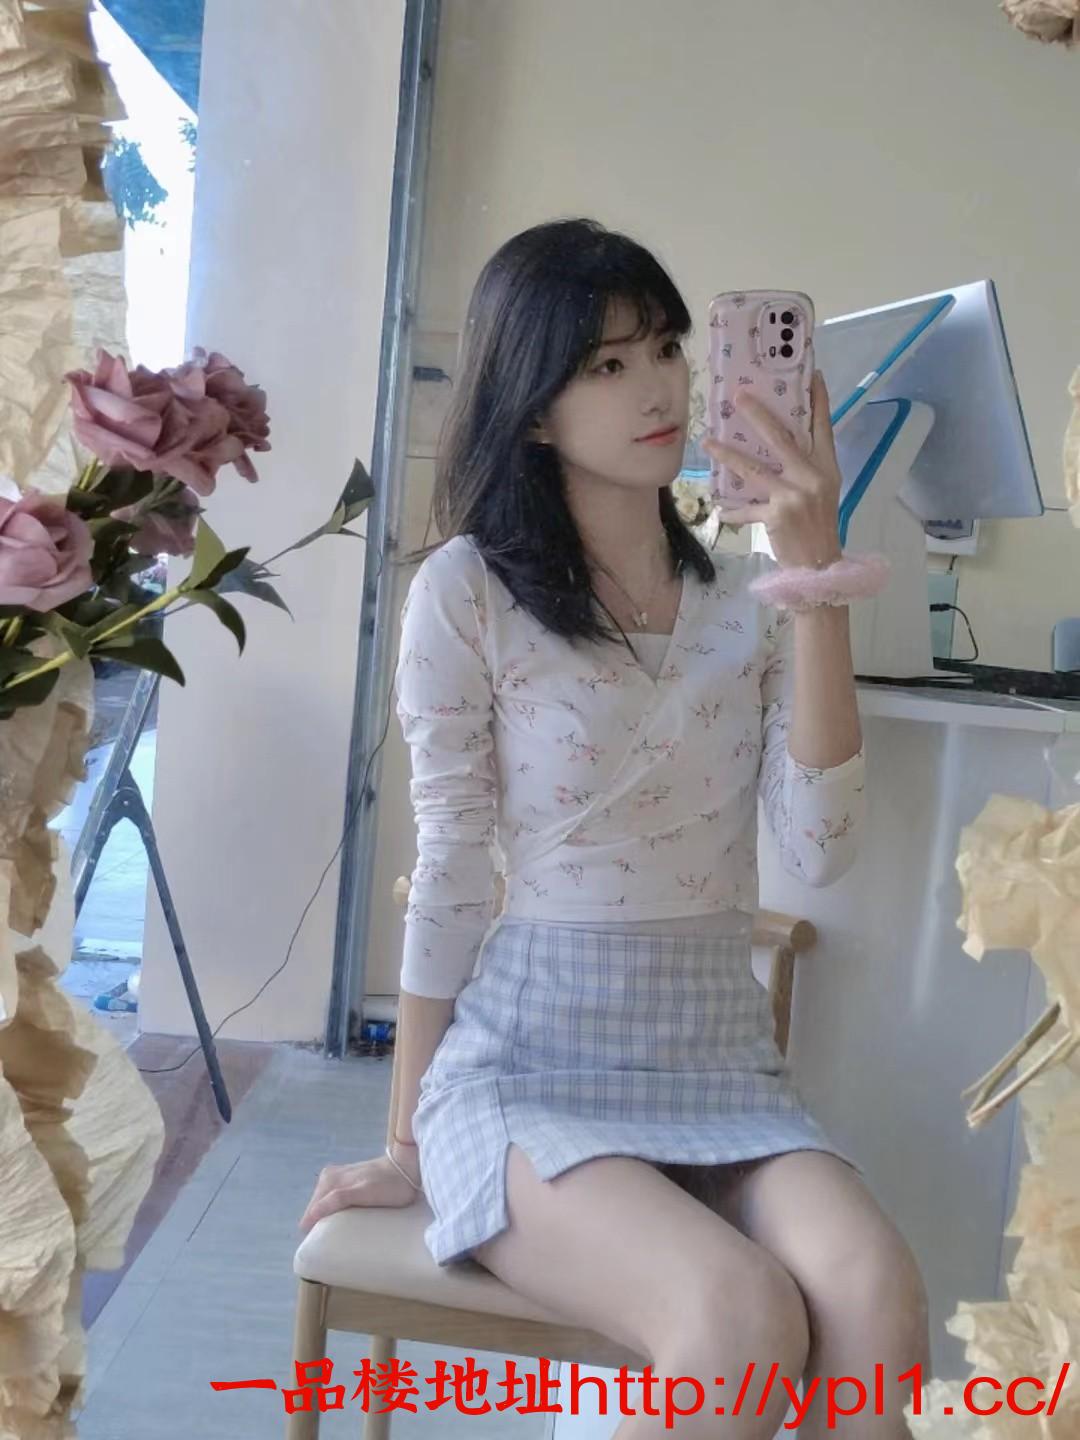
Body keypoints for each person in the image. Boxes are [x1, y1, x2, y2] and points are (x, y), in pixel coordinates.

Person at [301, 218, 930, 1437]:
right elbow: (450, 867)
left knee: (875, 1294)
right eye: (606, 364)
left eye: (667, 349)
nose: (658, 389)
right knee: (740, 1314)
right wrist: (406, 1139)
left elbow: (820, 850)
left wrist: (815, 581)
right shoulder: (468, 589)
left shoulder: (748, 601)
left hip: (722, 1067)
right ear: (534, 408)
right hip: (527, 1072)